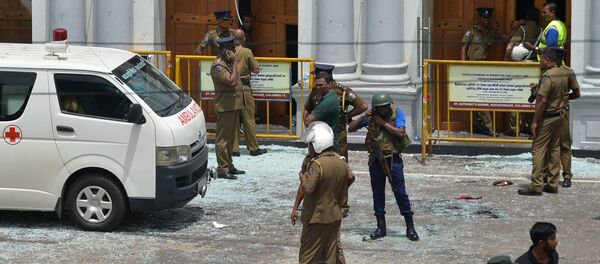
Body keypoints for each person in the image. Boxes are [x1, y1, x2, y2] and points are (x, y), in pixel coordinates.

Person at [348, 92, 419, 241]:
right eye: (381, 108)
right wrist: (364, 116)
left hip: (393, 159)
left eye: (386, 107)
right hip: (376, 159)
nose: (385, 110)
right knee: (378, 192)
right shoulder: (372, 116)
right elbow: (351, 128)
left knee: (400, 192)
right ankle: (381, 226)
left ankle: (410, 225)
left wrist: (382, 123)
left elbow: (401, 133)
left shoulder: (396, 113)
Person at [291, 121, 353, 264]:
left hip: (316, 217)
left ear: (317, 143)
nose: (309, 147)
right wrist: (335, 192)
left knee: (308, 256)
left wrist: (302, 177)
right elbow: (351, 178)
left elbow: (308, 188)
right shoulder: (341, 161)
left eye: (311, 144)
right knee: (331, 255)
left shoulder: (316, 164)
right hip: (334, 215)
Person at [518, 47, 569, 195]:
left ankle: (536, 186)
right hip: (560, 115)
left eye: (541, 59)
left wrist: (534, 122)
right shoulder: (562, 72)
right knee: (554, 149)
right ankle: (552, 184)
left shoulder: (548, 77)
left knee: (538, 150)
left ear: (547, 60)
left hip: (547, 117)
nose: (540, 62)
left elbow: (542, 101)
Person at [304, 64, 369, 161]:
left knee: (339, 162)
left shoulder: (342, 91)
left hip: (337, 134)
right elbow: (307, 108)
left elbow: (363, 106)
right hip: (319, 133)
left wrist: (348, 115)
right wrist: (308, 128)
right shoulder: (316, 90)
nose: (317, 85)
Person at [461, 7, 504, 137]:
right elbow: (463, 47)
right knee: (475, 97)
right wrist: (462, 64)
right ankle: (486, 126)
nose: (486, 20)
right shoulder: (472, 31)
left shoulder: (491, 33)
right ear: (479, 17)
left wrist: (518, 28)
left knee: (480, 97)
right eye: (484, 17)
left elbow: (505, 38)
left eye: (488, 18)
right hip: (471, 68)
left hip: (483, 69)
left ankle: (481, 126)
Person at [210, 36, 246, 180]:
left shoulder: (227, 63)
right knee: (223, 139)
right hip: (225, 107)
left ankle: (229, 165)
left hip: (232, 106)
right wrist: (235, 62)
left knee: (230, 138)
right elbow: (231, 81)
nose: (234, 52)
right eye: (231, 50)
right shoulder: (218, 66)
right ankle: (222, 169)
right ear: (224, 51)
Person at [505, 8, 542, 137]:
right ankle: (527, 125)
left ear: (527, 17)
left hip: (521, 66)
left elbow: (510, 46)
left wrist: (505, 63)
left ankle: (514, 128)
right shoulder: (541, 30)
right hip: (534, 66)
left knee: (516, 94)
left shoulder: (523, 29)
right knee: (531, 95)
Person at [230, 29, 267, 157]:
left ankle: (234, 149)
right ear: (243, 39)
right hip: (244, 88)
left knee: (233, 119)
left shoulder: (227, 52)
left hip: (230, 89)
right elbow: (256, 69)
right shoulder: (246, 52)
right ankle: (253, 147)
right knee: (248, 119)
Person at [304, 71, 340, 151]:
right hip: (322, 142)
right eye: (317, 85)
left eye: (321, 85)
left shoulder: (328, 101)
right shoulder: (325, 96)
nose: (318, 87)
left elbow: (308, 120)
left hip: (326, 145)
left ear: (330, 84)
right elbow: (307, 109)